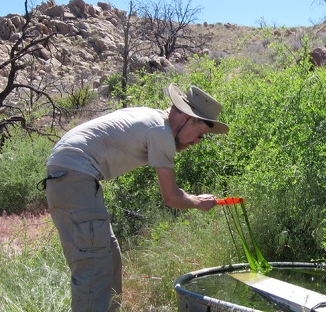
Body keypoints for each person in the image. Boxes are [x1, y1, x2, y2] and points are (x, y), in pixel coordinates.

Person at [41, 83, 229, 311]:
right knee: (94, 265)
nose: (197, 142)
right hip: (74, 176)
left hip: (73, 175)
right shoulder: (161, 133)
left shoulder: (153, 119)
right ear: (187, 119)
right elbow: (171, 197)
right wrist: (198, 202)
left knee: (109, 258)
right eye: (200, 135)